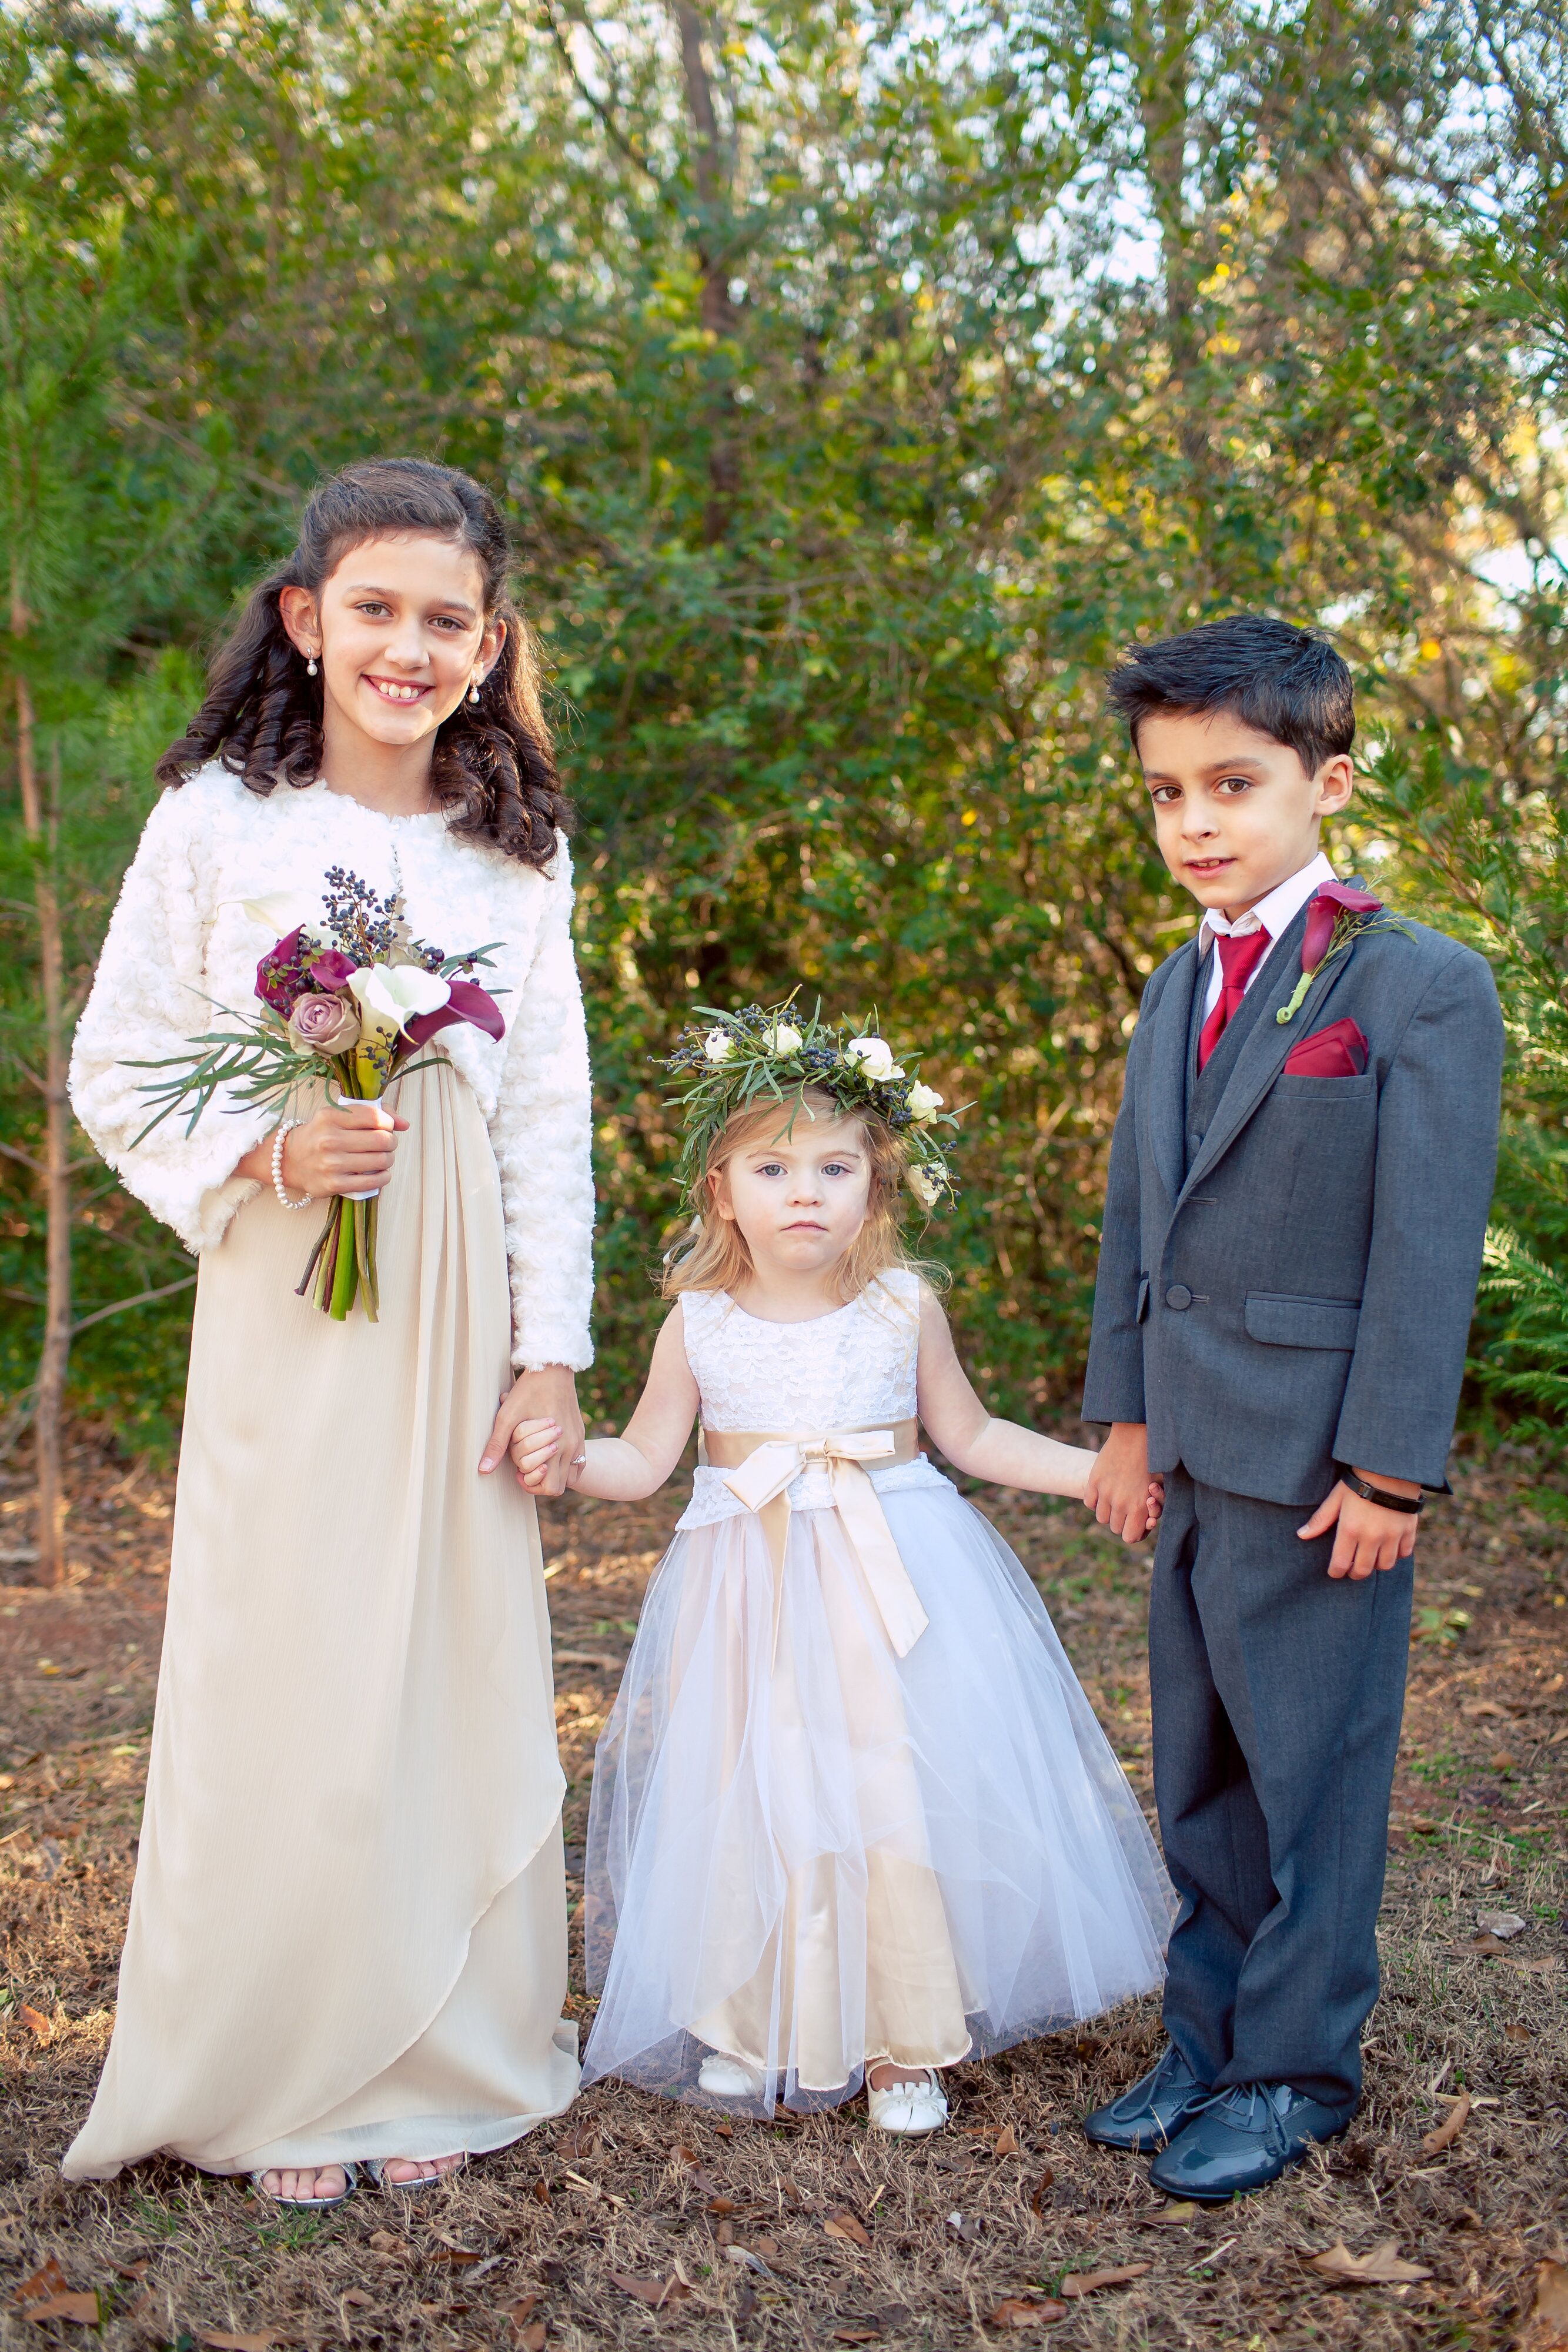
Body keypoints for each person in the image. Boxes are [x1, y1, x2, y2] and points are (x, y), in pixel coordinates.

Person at [63, 459, 593, 2204]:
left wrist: (550, 1352)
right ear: (305, 619)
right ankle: (284, 2064)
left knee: (441, 1644)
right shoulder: (219, 819)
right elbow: (119, 1063)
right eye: (374, 608)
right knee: (288, 1641)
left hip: (453, 1297)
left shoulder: (516, 852)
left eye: (446, 620)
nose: (407, 645)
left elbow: (544, 1116)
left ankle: (436, 2048)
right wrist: (267, 1146)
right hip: (292, 1266)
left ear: (486, 643)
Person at [509, 1007, 1175, 2134]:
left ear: (877, 1185)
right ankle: (747, 2016)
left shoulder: (901, 1306)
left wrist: (1093, 1475)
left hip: (887, 1576)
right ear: (724, 1191)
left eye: (833, 1166)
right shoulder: (700, 1321)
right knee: (753, 1788)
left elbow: (972, 1437)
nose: (804, 1191)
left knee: (881, 1785)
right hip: (750, 1591)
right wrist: (568, 1459)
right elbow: (646, 1458)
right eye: (773, 1168)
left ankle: (898, 2037)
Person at [1079, 616, 1503, 2200]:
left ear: (1325, 782)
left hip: (1322, 1465)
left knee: (1312, 1777)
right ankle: (1204, 2039)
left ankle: (1293, 2070)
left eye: (1232, 784)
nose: (1194, 821)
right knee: (1199, 1768)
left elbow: (1424, 1248)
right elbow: (1140, 1214)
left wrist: (1391, 1467)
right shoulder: (1174, 984)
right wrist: (1121, 1418)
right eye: (1166, 792)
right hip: (1189, 1445)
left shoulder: (1410, 987)